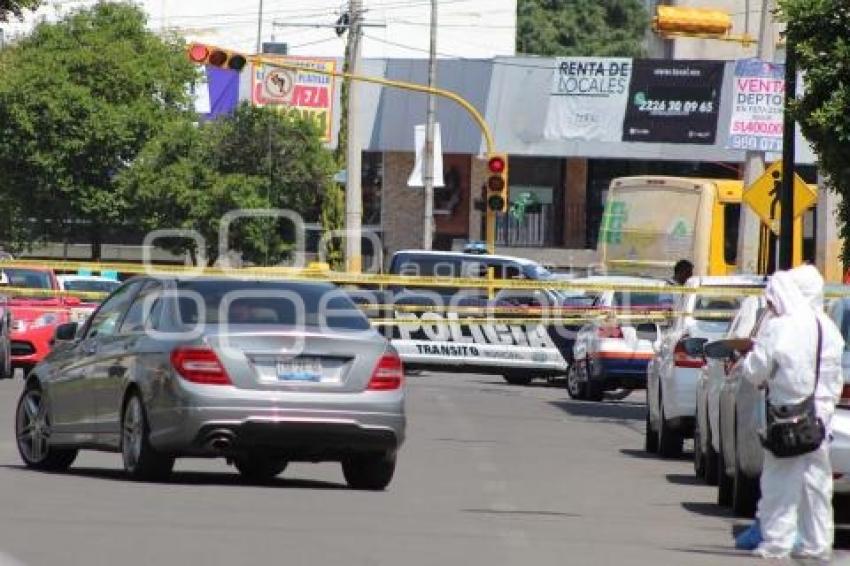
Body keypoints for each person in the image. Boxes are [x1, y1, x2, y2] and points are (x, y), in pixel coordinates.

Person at [737, 265, 844, 560]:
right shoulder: (828, 328)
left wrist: (747, 360)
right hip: (820, 417)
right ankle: (818, 543)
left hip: (787, 415)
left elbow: (757, 371)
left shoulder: (780, 327)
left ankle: (777, 541)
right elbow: (834, 380)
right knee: (817, 484)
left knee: (779, 481)